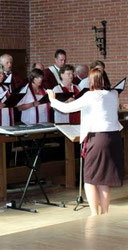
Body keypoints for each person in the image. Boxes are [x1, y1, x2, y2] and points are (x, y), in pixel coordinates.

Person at [47, 68, 123, 216]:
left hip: (98, 138)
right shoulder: (114, 94)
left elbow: (67, 108)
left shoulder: (91, 95)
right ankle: (105, 213)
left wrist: (52, 99)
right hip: (113, 138)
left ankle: (95, 215)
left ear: (92, 81)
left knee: (90, 179)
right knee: (103, 179)